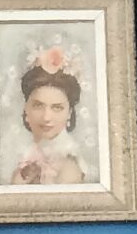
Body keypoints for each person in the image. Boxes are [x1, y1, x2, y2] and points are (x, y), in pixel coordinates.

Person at [10, 45, 92, 187]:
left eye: (57, 108)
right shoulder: (27, 159)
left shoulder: (69, 169)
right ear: (26, 109)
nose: (46, 117)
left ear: (69, 113)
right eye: (38, 105)